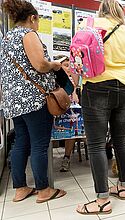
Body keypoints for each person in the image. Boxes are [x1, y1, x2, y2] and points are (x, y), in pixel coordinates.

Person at [76, 0, 125, 215]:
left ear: (101, 10)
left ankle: (102, 200)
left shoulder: (89, 25)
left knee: (96, 144)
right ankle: (123, 186)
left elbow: (78, 59)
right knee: (120, 139)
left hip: (97, 86)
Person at [0, 0, 66, 203]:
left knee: (21, 142)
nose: (38, 26)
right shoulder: (27, 34)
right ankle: (43, 189)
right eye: (38, 21)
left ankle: (20, 188)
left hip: (14, 101)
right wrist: (55, 65)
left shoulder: (7, 38)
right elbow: (40, 64)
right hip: (34, 100)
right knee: (39, 144)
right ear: (32, 17)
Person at [53, 55, 81, 172]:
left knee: (72, 132)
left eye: (70, 66)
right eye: (65, 65)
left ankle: (67, 157)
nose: (69, 68)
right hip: (55, 111)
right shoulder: (53, 79)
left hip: (70, 113)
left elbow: (76, 98)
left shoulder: (72, 82)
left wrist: (74, 92)